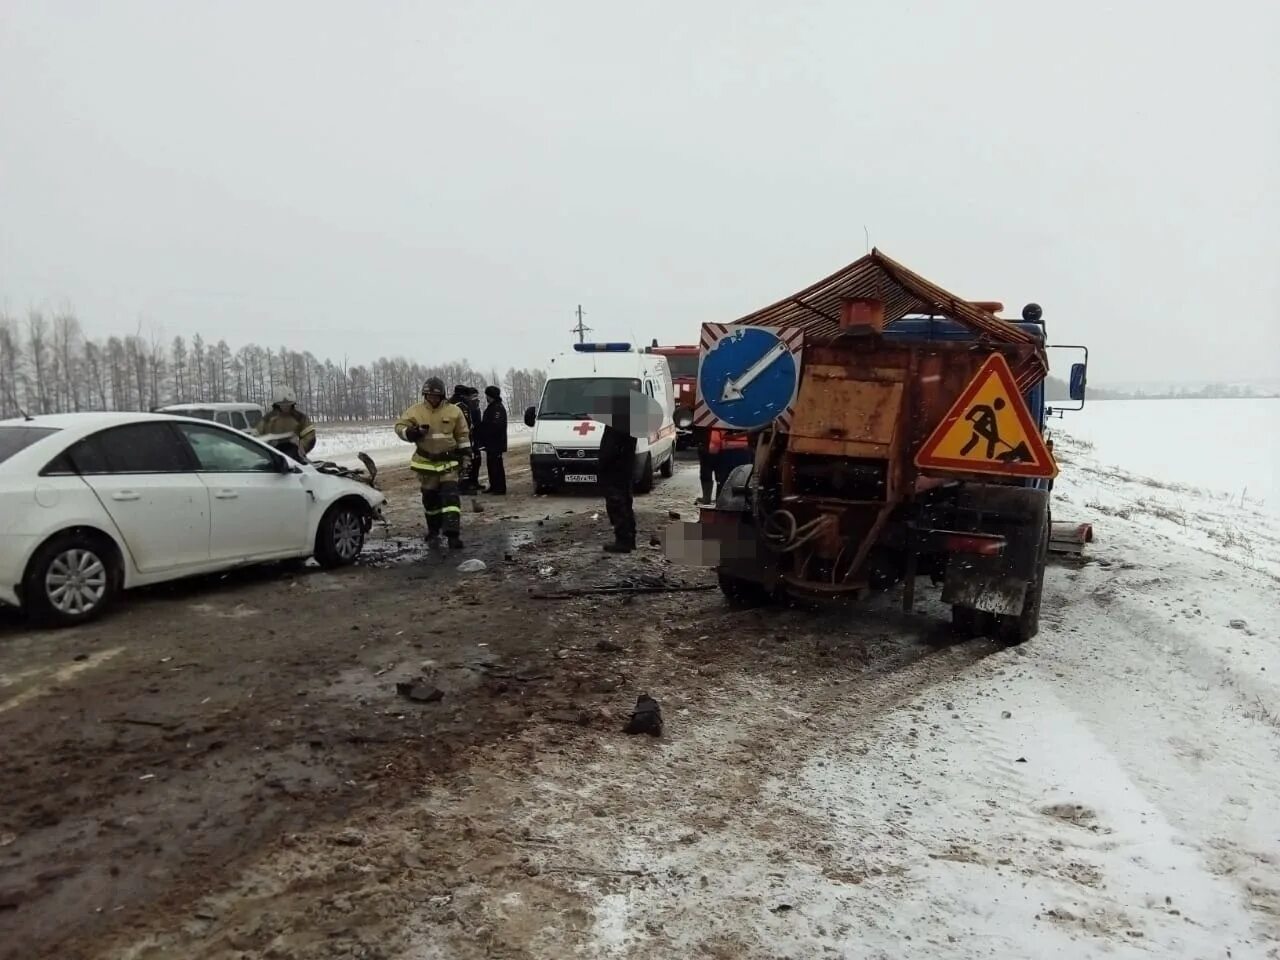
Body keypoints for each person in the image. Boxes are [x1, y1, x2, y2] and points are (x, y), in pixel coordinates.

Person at [396, 377, 470, 548]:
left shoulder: (454, 411)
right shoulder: (415, 411)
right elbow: (399, 426)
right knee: (430, 501)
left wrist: (466, 455)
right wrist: (411, 432)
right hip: (425, 464)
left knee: (451, 498)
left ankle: (453, 535)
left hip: (449, 463)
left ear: (443, 396)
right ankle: (433, 532)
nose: (433, 399)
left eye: (436, 396)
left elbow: (462, 435)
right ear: (425, 395)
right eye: (429, 396)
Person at [597, 392, 637, 553]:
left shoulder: (617, 425)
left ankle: (624, 540)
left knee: (617, 504)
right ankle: (629, 537)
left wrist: (601, 464)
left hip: (615, 470)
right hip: (624, 470)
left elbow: (609, 450)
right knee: (625, 503)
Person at [257, 386, 317, 458]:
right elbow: (257, 438)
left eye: (288, 404)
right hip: (272, 455)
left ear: (292, 404)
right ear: (277, 405)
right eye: (282, 405)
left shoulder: (300, 418)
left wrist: (300, 448)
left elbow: (310, 437)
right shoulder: (268, 419)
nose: (285, 407)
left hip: (295, 456)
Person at [448, 384, 480, 493]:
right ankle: (464, 486)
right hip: (462, 438)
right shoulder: (461, 406)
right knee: (465, 461)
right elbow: (465, 423)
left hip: (451, 438)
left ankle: (455, 485)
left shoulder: (448, 404)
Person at [480, 385, 508, 495]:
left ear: (491, 396)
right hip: (491, 443)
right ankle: (494, 485)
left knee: (497, 465)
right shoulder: (492, 407)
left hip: (496, 442)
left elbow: (496, 426)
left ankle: (500, 487)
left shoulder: (497, 408)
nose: (486, 397)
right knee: (491, 465)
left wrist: (486, 431)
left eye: (487, 395)